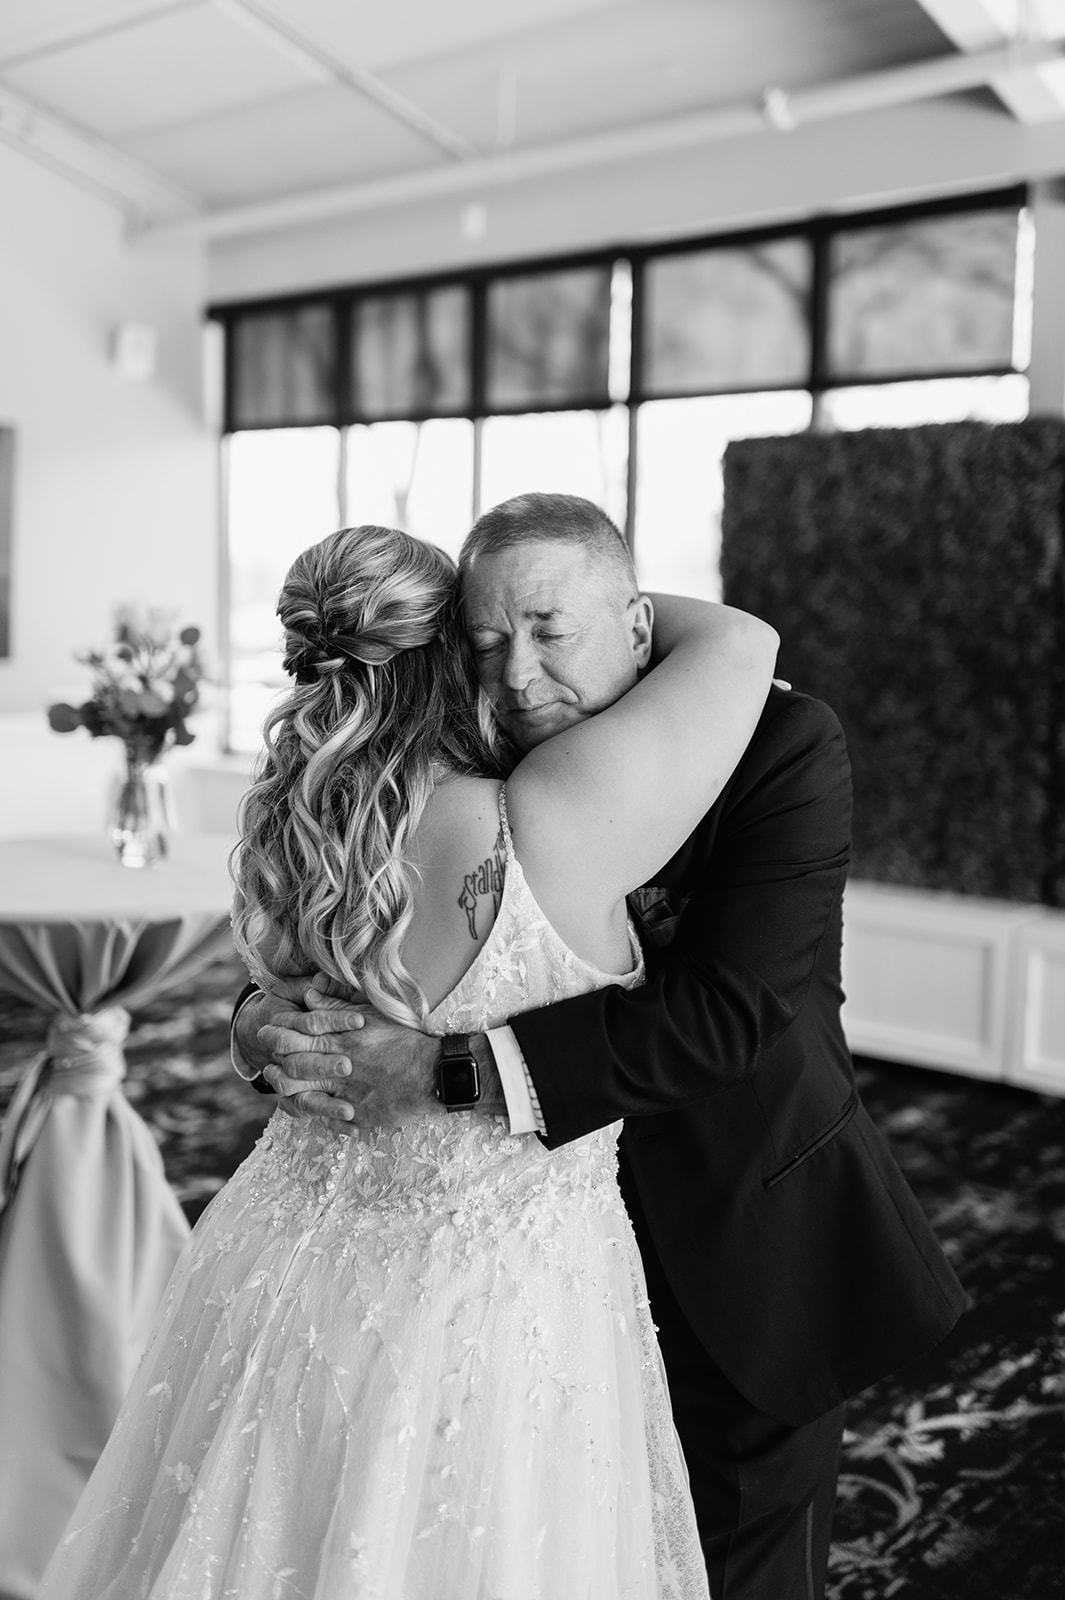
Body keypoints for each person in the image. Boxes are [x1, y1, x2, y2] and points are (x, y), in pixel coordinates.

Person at [236, 492, 971, 1600]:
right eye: (484, 640)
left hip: (726, 1232)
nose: (519, 676)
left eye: (551, 631)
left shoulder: (782, 740)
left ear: (640, 624)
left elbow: (728, 1011)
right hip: (504, 1283)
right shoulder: (461, 742)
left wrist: (449, 1070)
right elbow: (344, 935)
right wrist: (261, 1024)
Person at [38, 518, 779, 1600]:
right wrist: (576, 603)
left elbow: (276, 1014)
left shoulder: (293, 812)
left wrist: (253, 1030)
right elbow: (742, 644)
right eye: (485, 638)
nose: (514, 663)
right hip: (486, 1307)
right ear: (446, 655)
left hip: (278, 1264)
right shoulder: (552, 818)